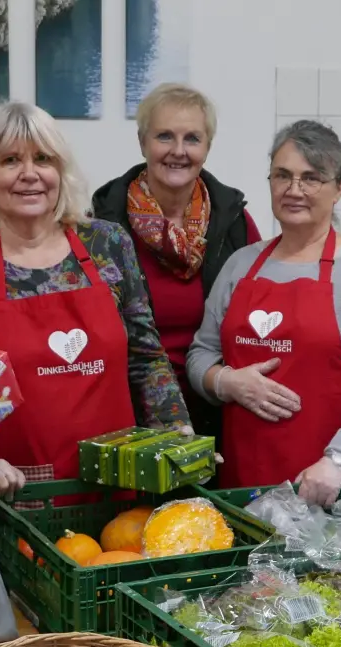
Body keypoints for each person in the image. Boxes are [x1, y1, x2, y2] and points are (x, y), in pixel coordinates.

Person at [0, 101, 190, 498]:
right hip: (12, 490)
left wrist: (176, 435)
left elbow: (145, 356)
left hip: (120, 477)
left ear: (60, 171)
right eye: (10, 160)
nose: (29, 174)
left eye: (43, 159)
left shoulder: (107, 243)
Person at [188, 120, 341, 507]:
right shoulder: (241, 265)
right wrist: (225, 382)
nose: (294, 190)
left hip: (334, 489)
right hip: (246, 483)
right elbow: (200, 353)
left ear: (339, 188)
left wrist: (339, 461)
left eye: (312, 178)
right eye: (283, 175)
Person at [90, 83, 261, 441]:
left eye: (192, 139)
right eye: (165, 136)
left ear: (208, 147)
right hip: (130, 417)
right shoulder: (102, 229)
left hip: (220, 408)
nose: (178, 152)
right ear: (142, 142)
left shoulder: (237, 227)